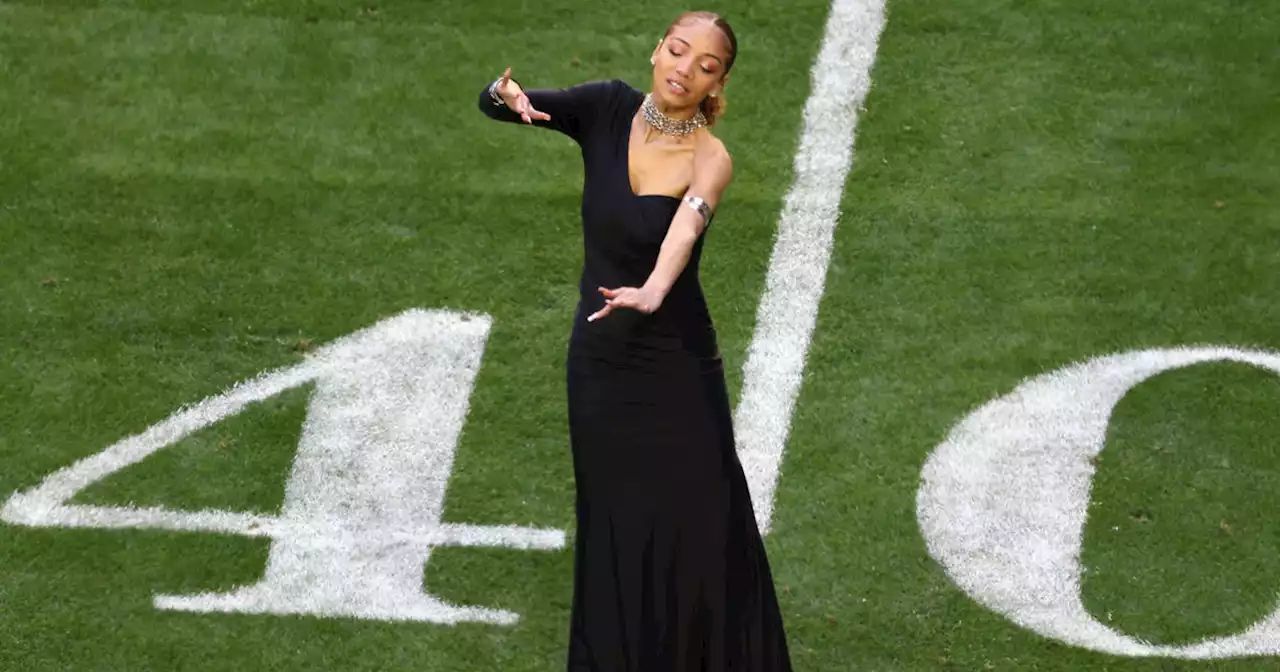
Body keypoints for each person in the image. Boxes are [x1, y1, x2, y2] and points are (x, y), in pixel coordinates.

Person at [477, 10, 792, 671]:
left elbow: (687, 227)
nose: (685, 69)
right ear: (657, 51)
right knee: (615, 522)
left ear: (717, 83)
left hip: (677, 363)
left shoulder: (712, 158)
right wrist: (506, 97)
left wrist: (652, 289)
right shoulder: (604, 107)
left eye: (705, 66)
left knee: (705, 518)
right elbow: (509, 104)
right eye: (678, 51)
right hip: (602, 362)